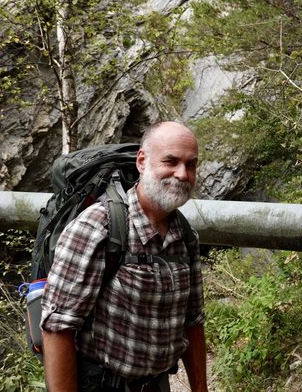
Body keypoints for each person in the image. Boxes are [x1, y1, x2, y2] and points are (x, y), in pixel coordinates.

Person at [40, 121, 208, 392]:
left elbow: (193, 321)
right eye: (171, 161)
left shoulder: (185, 237)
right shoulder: (98, 226)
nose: (182, 174)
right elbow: (57, 327)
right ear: (142, 161)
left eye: (191, 165)